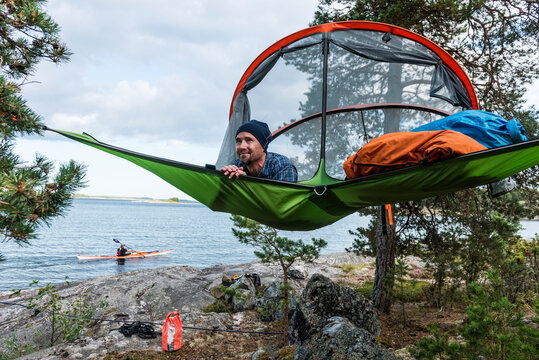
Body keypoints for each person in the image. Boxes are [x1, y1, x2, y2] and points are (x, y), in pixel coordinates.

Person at [220, 120, 298, 182]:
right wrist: (223, 179)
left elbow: (281, 200)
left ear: (263, 146)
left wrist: (245, 182)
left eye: (249, 140)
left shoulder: (282, 165)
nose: (242, 146)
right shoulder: (237, 165)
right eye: (238, 141)